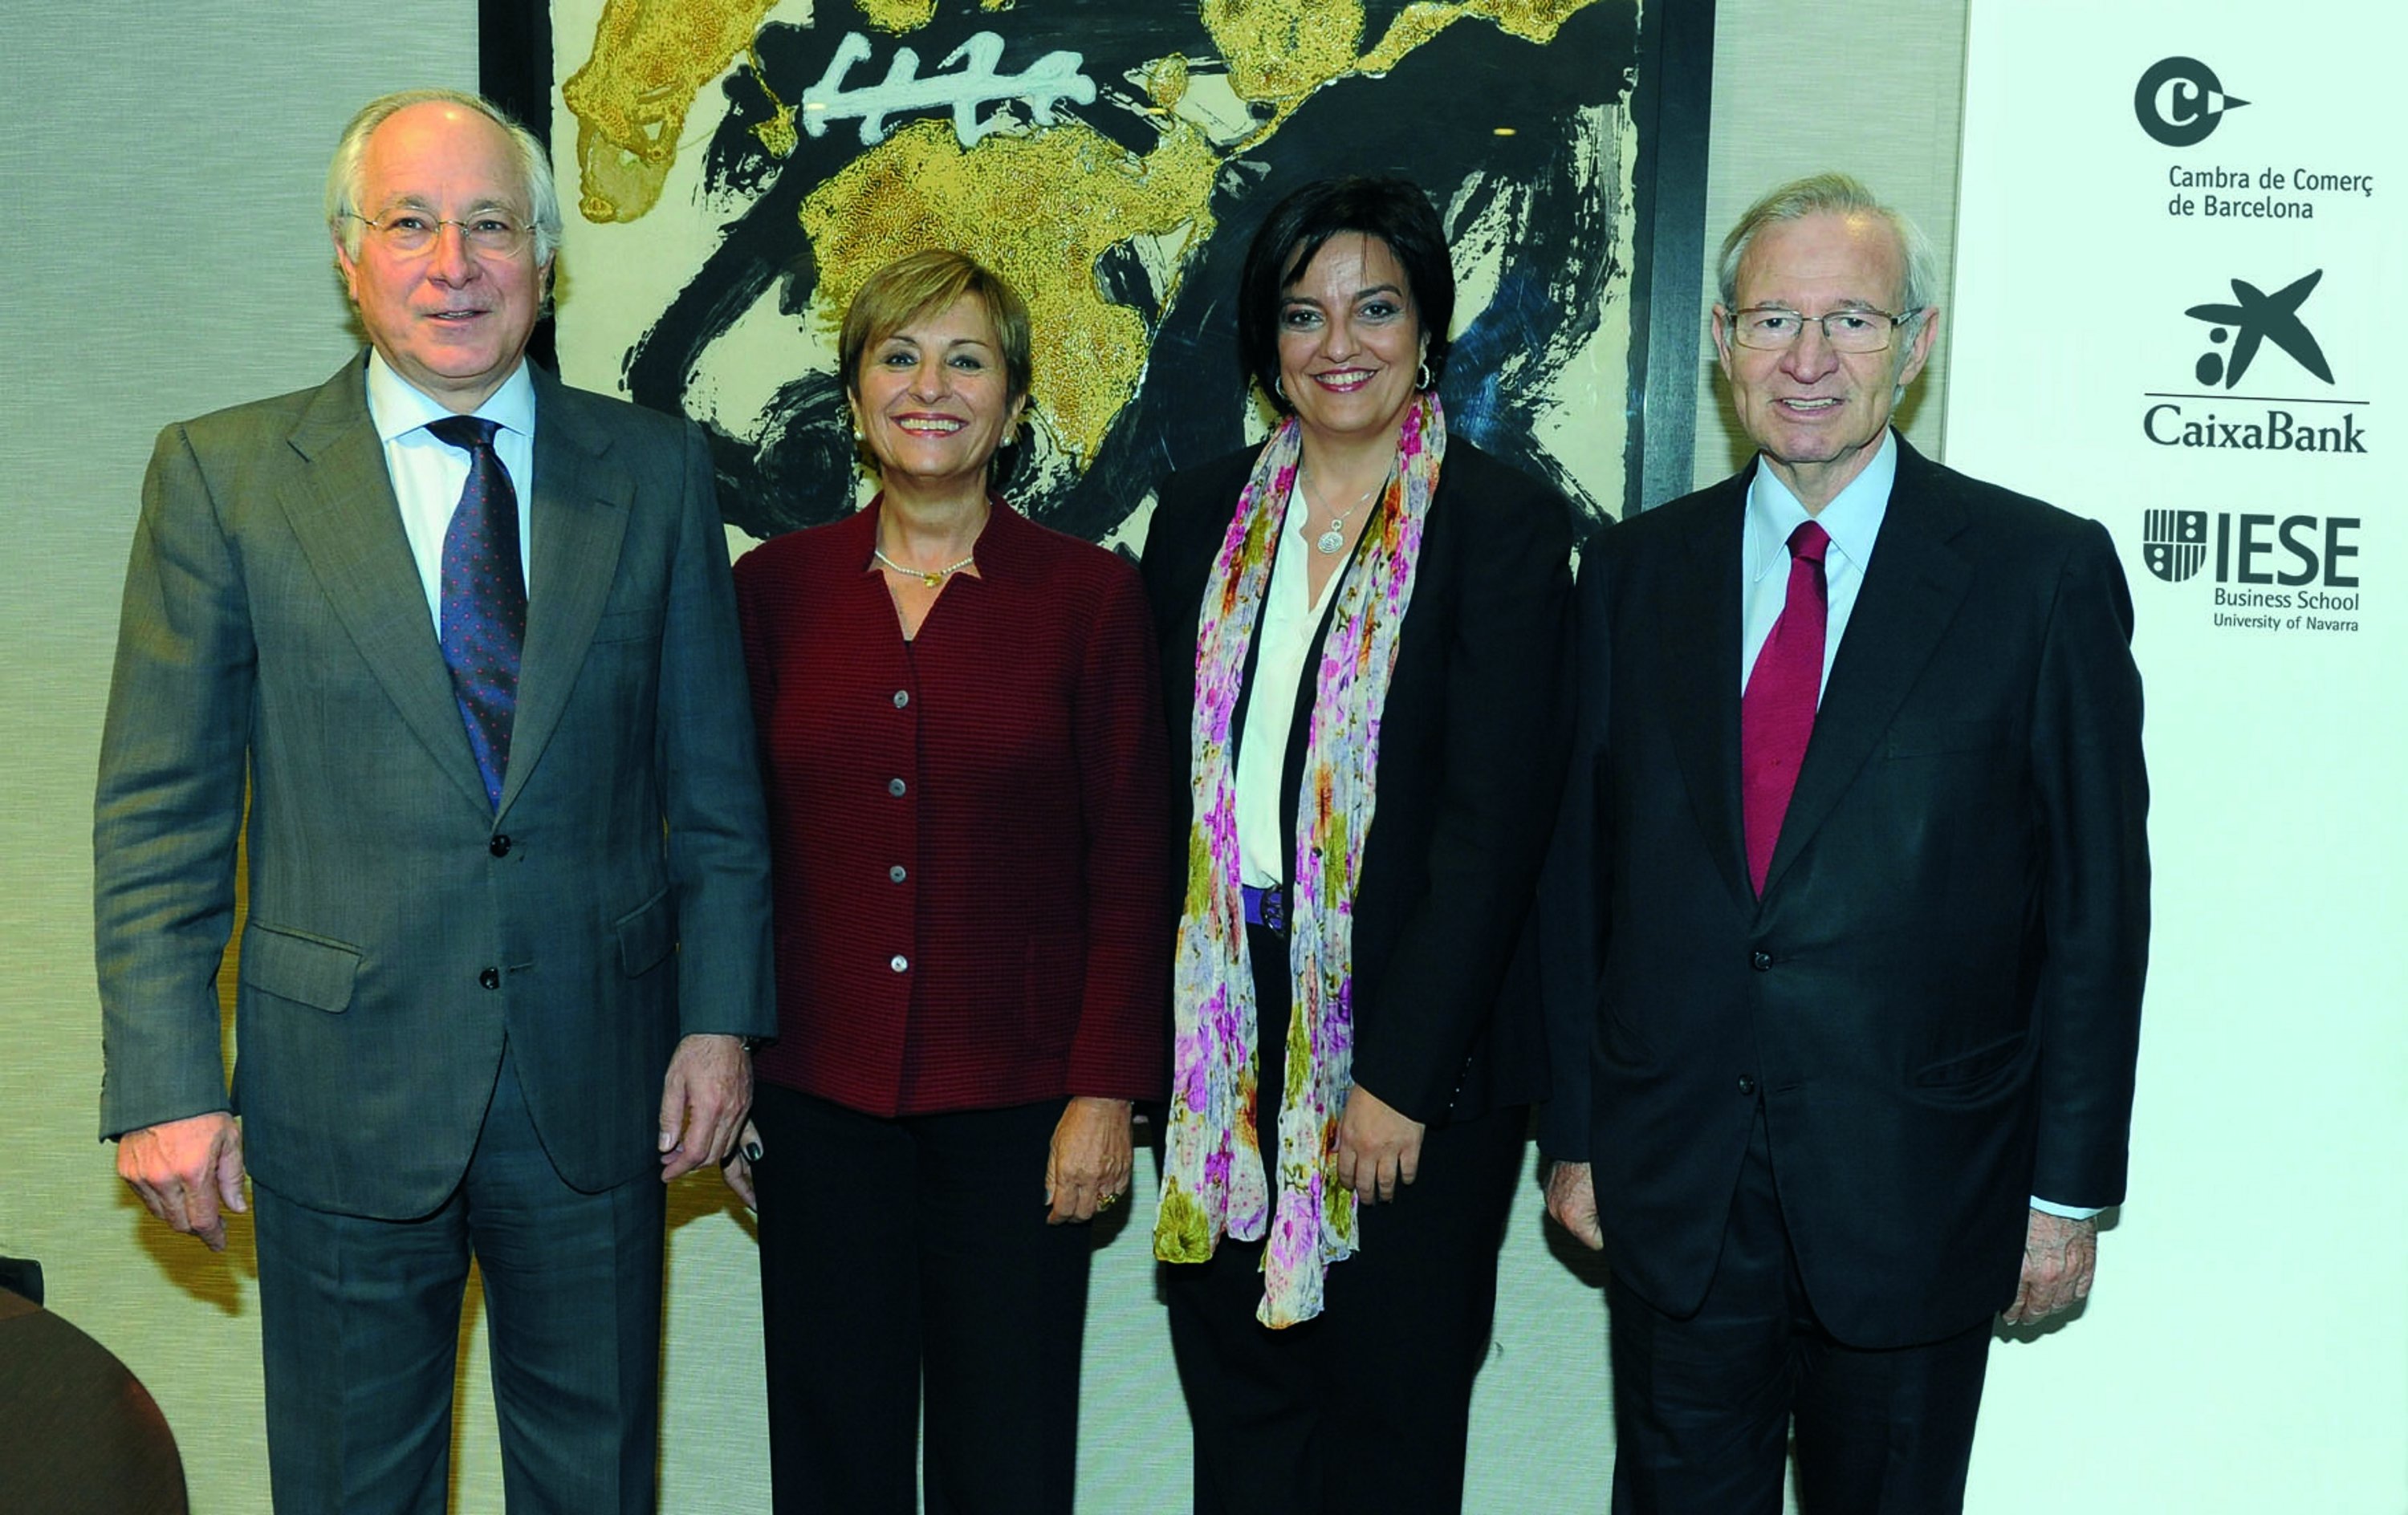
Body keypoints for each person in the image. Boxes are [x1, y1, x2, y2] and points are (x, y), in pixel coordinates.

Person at [93, 89, 773, 1514]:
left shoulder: (653, 473)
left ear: (544, 260)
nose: (452, 264)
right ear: (351, 256)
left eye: (489, 227)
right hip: (336, 1089)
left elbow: (714, 792)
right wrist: (164, 1082)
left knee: (597, 1488)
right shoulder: (224, 480)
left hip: (600, 1085)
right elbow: (161, 812)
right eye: (410, 224)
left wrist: (717, 1021)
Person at [1540, 173, 2150, 1513]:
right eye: (1772, 321)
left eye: (1853, 322)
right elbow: (1580, 879)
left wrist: (2068, 1192)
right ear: (1720, 342)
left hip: (1922, 1189)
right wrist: (1574, 1136)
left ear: (1917, 345)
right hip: (1678, 1184)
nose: (1807, 361)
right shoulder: (1634, 576)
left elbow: (2098, 916)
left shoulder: (2040, 575)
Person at [1144, 175, 1575, 1513]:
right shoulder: (1199, 517)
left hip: (1412, 1056)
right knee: (1245, 1420)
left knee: (1387, 1429)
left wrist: (1397, 1077)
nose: (1341, 343)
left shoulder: (1503, 526)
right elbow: (1161, 798)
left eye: (1375, 308)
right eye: (1303, 313)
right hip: (1227, 1034)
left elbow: (1494, 830)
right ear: (1267, 347)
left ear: (1427, 327)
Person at [721, 249, 1171, 1514]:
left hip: (1023, 1108)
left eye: (968, 359)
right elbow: (728, 846)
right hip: (817, 1098)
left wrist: (1106, 1093)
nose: (933, 386)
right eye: (899, 356)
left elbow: (1136, 861)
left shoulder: (1088, 596)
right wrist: (727, 1065)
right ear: (857, 395)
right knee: (833, 1455)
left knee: (1007, 1462)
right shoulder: (774, 591)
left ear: (1016, 407)